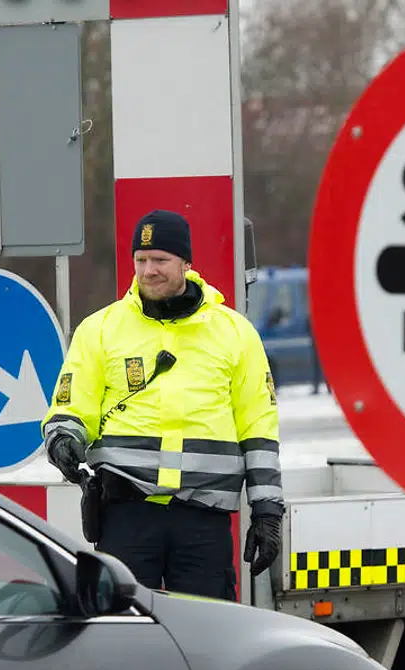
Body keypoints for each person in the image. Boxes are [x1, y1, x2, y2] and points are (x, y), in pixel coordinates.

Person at [41, 209, 283, 600]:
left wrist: (268, 512)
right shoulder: (100, 329)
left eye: (160, 260)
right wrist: (63, 439)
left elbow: (258, 428)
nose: (148, 270)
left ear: (186, 263)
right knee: (125, 641)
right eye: (141, 260)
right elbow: (70, 406)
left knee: (209, 643)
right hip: (126, 516)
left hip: (203, 521)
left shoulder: (235, 333)